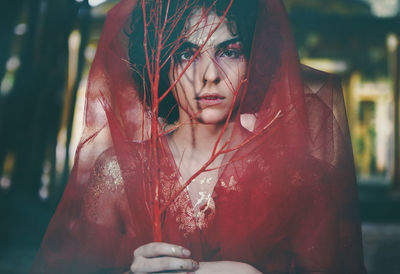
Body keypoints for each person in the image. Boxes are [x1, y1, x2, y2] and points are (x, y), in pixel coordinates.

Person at [32, 0, 367, 273]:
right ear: (162, 64)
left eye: (230, 51)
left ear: (254, 61)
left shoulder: (299, 177)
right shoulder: (121, 171)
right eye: (187, 54)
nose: (209, 75)